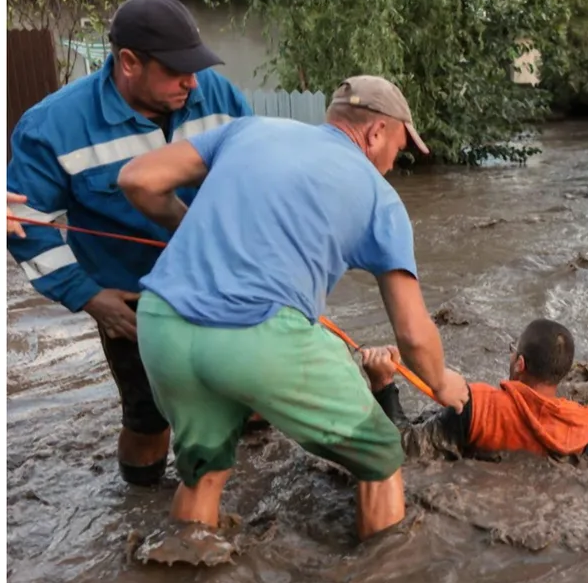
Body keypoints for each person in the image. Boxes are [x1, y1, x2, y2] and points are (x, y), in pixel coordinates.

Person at [118, 75, 469, 542]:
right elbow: (412, 331)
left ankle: (183, 574)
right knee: (382, 455)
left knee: (203, 474)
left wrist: (187, 228)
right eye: (399, 149)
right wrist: (443, 383)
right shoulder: (380, 197)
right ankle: (389, 580)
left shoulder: (249, 129)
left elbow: (137, 179)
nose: (393, 163)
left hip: (162, 323)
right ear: (376, 132)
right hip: (258, 336)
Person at [5, 0, 253, 486]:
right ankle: (137, 508)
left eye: (197, 67)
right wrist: (89, 297)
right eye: (178, 71)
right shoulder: (53, 126)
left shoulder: (219, 98)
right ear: (129, 63)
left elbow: (256, 180)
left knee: (249, 388)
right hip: (133, 300)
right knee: (148, 418)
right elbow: (27, 224)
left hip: (223, 281)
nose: (193, 82)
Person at [360, 319, 588, 460]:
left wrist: (383, 384)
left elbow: (404, 450)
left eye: (513, 350)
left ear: (520, 364)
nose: (511, 355)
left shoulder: (477, 407)